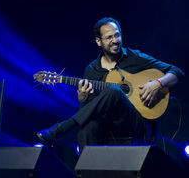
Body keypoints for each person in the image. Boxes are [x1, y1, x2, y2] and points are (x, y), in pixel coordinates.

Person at [36, 17, 184, 152]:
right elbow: (86, 112)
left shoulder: (134, 57)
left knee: (113, 89)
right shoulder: (91, 70)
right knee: (85, 129)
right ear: (98, 41)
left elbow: (177, 72)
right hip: (107, 126)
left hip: (134, 122)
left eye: (117, 35)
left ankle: (62, 128)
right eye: (109, 37)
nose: (115, 40)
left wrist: (157, 83)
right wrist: (82, 99)